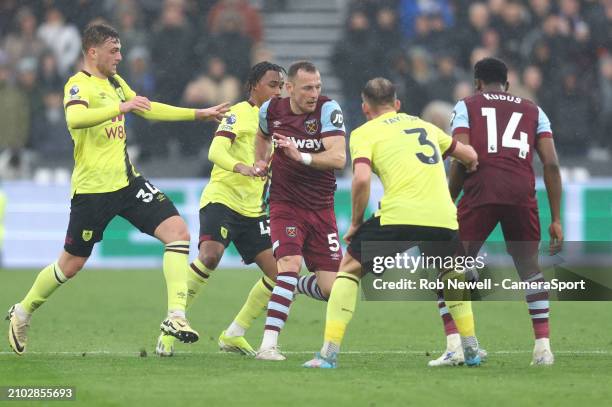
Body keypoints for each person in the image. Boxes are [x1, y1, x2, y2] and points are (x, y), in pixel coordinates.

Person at [6, 23, 229, 355]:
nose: (120, 57)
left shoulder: (115, 82)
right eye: (114, 50)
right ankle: (23, 311)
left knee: (178, 232)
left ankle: (175, 316)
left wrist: (197, 114)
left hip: (127, 183)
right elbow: (75, 120)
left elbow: (147, 107)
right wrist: (119, 108)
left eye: (120, 50)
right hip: (93, 191)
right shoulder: (77, 85)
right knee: (70, 265)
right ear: (92, 52)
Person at [303, 77, 479, 369]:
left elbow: (360, 179)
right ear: (397, 104)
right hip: (442, 216)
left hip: (400, 214)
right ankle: (471, 348)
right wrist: (470, 164)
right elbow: (469, 155)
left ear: (365, 108)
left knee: (348, 270)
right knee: (451, 274)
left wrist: (357, 222)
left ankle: (328, 353)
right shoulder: (425, 125)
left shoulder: (363, 133)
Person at [430, 57, 562, 366]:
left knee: (446, 265)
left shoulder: (466, 106)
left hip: (481, 191)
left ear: (477, 83)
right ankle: (543, 348)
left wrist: (448, 201)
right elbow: (552, 164)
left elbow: (463, 156)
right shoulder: (534, 110)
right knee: (530, 270)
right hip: (520, 192)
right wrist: (555, 218)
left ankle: (456, 345)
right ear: (507, 83)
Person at [155, 61, 285, 357]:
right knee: (210, 255)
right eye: (272, 85)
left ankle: (234, 333)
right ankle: (171, 327)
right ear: (254, 86)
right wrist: (242, 166)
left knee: (280, 275)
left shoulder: (279, 123)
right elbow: (215, 151)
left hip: (254, 210)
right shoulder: (240, 113)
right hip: (222, 199)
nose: (277, 91)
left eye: (281, 86)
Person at [252, 61, 347, 361]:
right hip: (285, 204)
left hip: (321, 208)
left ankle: (292, 286)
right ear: (289, 88)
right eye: (307, 87)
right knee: (289, 263)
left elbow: (338, 157)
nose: (314, 93)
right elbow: (261, 136)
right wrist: (259, 161)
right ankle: (268, 345)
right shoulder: (271, 110)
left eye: (318, 87)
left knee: (332, 289)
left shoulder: (328, 110)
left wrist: (300, 155)